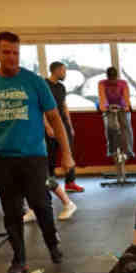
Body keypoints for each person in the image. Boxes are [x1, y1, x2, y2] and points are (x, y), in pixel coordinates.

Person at [0, 31, 76, 273]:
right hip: (3, 156)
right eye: (6, 52)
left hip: (34, 155)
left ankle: (53, 245)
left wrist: (67, 153)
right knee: (11, 211)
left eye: (15, 53)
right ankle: (19, 258)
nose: (11, 57)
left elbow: (55, 117)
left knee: (40, 204)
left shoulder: (34, 82)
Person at [44, 61, 84, 193]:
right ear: (56, 71)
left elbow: (64, 106)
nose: (65, 73)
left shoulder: (61, 87)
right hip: (50, 123)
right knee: (50, 154)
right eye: (63, 71)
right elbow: (40, 107)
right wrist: (47, 126)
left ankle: (70, 182)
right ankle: (50, 182)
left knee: (69, 152)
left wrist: (70, 126)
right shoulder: (44, 85)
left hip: (63, 124)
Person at [98, 66, 135, 160]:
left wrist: (126, 106)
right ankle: (111, 151)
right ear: (107, 77)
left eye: (114, 78)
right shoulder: (102, 83)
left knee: (126, 125)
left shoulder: (123, 83)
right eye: (110, 79)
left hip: (122, 105)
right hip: (108, 106)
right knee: (110, 126)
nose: (112, 81)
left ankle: (128, 151)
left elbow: (126, 97)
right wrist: (104, 107)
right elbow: (102, 97)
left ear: (117, 76)